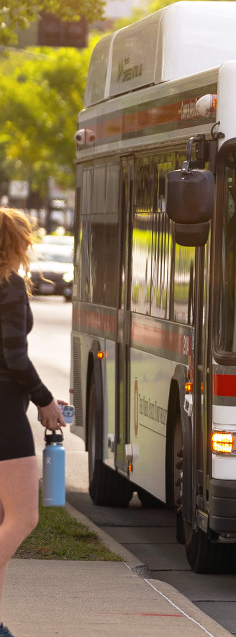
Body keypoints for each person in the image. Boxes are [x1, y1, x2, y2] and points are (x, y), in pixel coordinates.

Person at [0, 208, 66, 637]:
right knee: (23, 518)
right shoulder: (8, 287)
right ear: (15, 242)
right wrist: (43, 401)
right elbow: (14, 357)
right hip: (4, 411)